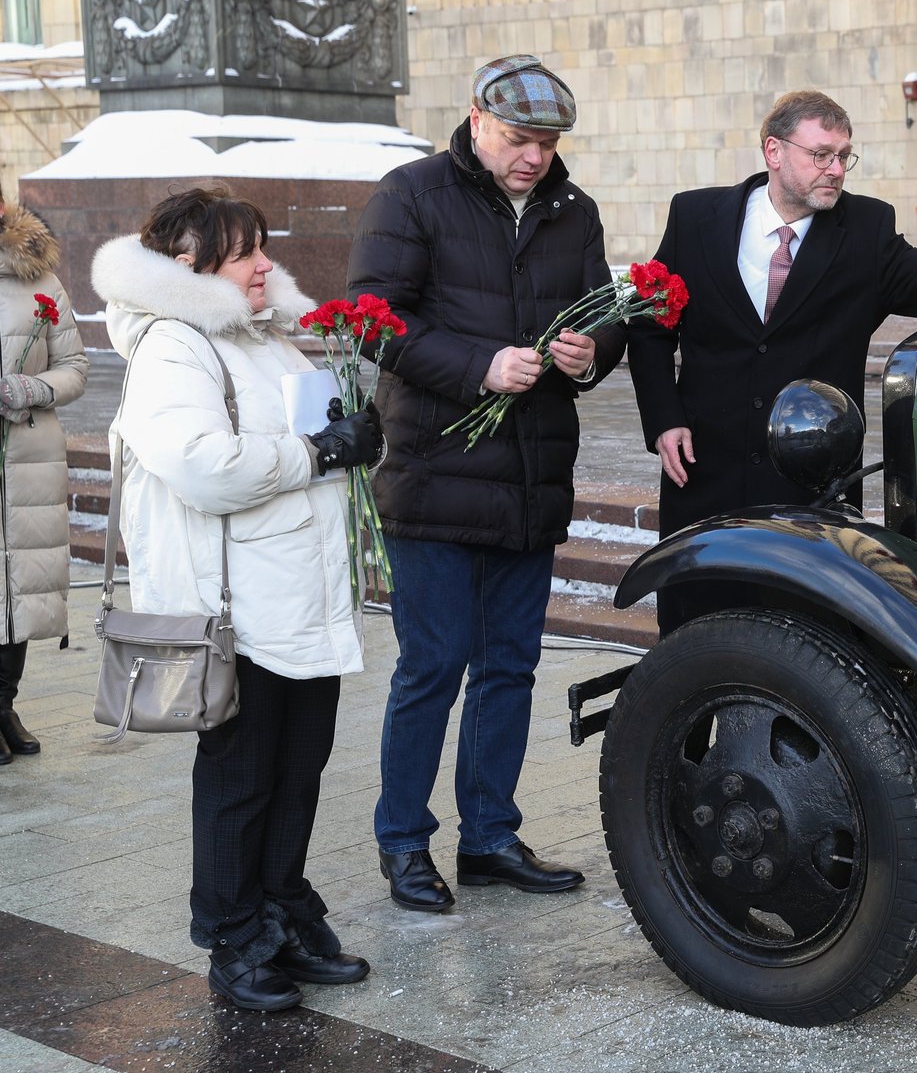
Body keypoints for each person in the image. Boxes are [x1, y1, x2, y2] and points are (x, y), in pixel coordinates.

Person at [96, 186, 380, 1012]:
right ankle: (232, 936)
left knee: (299, 772)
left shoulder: (264, 336)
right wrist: (317, 450)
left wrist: (351, 436)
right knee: (241, 781)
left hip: (298, 596)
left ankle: (282, 911)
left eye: (263, 247)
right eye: (245, 252)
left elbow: (307, 436)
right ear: (189, 265)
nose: (265, 264)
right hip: (237, 611)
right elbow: (199, 464)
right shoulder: (174, 346)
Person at [348, 54, 621, 912]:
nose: (534, 156)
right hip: (433, 475)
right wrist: (477, 367)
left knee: (510, 666)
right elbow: (371, 318)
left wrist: (590, 355)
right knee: (432, 665)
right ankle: (403, 843)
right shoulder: (411, 193)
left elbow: (604, 317)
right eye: (518, 138)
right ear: (475, 118)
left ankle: (490, 837)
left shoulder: (575, 212)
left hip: (532, 477)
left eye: (546, 142)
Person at [628, 89, 917, 629]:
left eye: (844, 155)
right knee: (696, 648)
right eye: (820, 155)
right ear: (774, 151)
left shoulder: (865, 231)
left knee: (807, 657)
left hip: (810, 494)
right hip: (704, 480)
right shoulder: (695, 216)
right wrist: (664, 419)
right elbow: (649, 324)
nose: (836, 169)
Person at [0, 184, 87, 766]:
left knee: (20, 589)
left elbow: (75, 367)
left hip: (25, 459)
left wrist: (30, 388)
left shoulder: (36, 276)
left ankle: (3, 702)